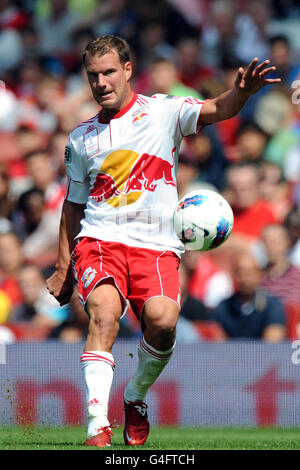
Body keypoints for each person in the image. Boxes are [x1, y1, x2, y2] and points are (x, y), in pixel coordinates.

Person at [46, 34, 281, 447]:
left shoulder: (162, 112)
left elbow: (217, 109)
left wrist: (241, 93)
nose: (101, 82)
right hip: (100, 239)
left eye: (109, 73)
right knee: (103, 315)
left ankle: (135, 396)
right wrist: (64, 265)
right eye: (93, 75)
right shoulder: (80, 139)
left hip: (155, 246)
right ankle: (96, 424)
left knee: (162, 322)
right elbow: (73, 205)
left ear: (128, 70)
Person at [212, 250, 286, 341]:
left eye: (249, 273)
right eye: (240, 273)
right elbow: (215, 344)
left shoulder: (272, 306)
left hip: (261, 355)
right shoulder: (224, 307)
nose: (244, 278)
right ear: (233, 275)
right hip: (229, 355)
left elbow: (272, 347)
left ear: (259, 274)